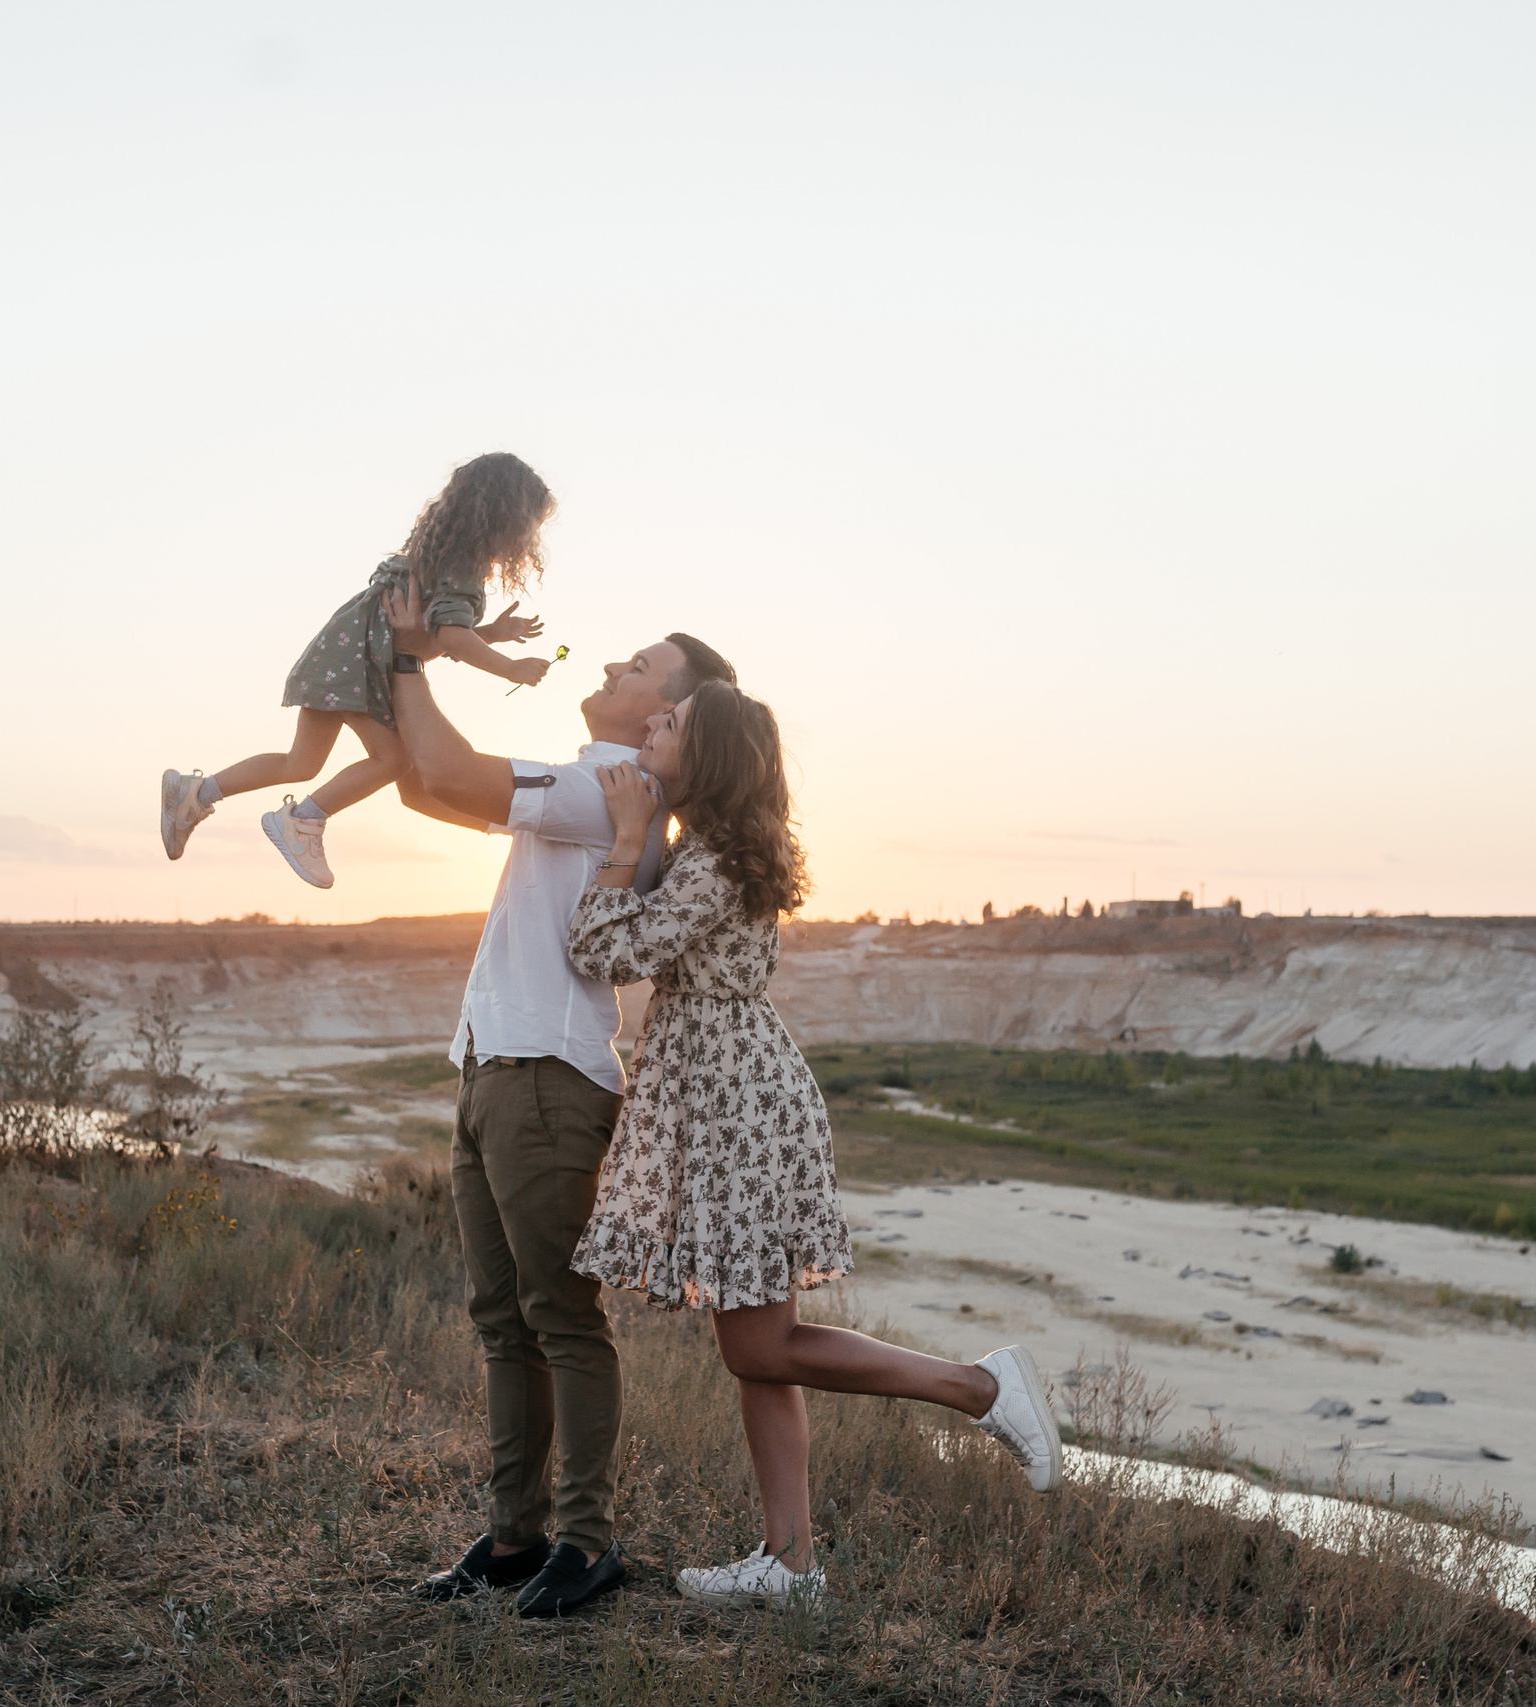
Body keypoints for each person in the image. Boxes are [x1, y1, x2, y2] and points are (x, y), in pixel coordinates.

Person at [566, 682, 1064, 1611]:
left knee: (761, 1338)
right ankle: (789, 1565)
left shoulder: (709, 861)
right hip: (729, 1100)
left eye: (669, 724)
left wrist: (626, 841)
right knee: (757, 1344)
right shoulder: (713, 849)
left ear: (707, 756)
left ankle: (978, 1387)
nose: (651, 726)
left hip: (735, 1107)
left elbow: (603, 953)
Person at [380, 578, 736, 1618]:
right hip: (497, 1061)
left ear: (667, 716)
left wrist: (409, 658)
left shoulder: (613, 786)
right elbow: (424, 788)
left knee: (559, 1319)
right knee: (504, 1318)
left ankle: (585, 1542)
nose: (614, 670)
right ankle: (512, 1536)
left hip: (544, 1078)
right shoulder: (592, 782)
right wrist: (401, 675)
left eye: (639, 669)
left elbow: (442, 768)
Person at [157, 452, 559, 889]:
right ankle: (304, 820)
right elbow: (449, 636)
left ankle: (197, 792)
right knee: (392, 760)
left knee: (300, 761)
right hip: (359, 668)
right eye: (528, 529)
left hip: (337, 657)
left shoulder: (438, 553)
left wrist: (491, 633)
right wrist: (509, 668)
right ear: (505, 520)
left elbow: (437, 631)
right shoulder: (463, 567)